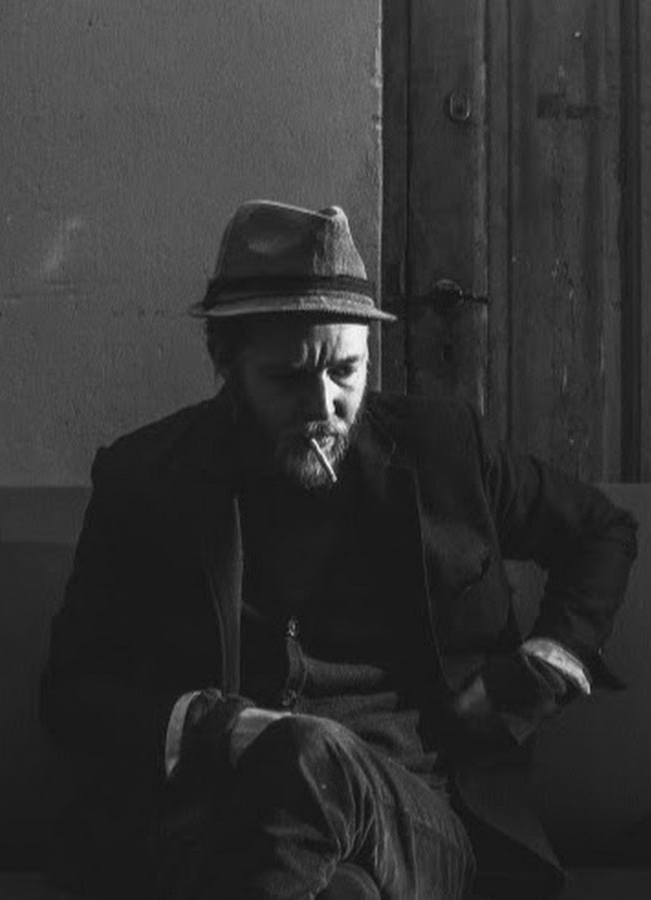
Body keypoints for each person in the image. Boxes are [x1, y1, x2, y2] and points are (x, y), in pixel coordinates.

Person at [41, 201, 637, 899]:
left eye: (346, 371)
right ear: (225, 363)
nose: (324, 406)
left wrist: (541, 666)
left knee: (309, 758)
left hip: (417, 815)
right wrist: (214, 728)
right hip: (209, 816)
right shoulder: (146, 479)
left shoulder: (445, 451)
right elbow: (71, 693)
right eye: (289, 378)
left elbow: (601, 530)